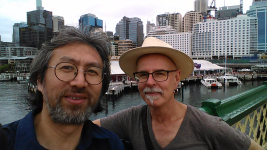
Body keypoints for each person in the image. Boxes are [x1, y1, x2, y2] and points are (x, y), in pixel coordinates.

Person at [93, 37, 263, 150]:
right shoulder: (130, 119)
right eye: (143, 74)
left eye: (160, 73)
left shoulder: (208, 126)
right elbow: (84, 129)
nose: (150, 82)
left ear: (176, 79)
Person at [3, 26, 124, 150]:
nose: (80, 82)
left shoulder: (111, 145)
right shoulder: (5, 141)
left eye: (92, 71)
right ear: (40, 80)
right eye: (67, 67)